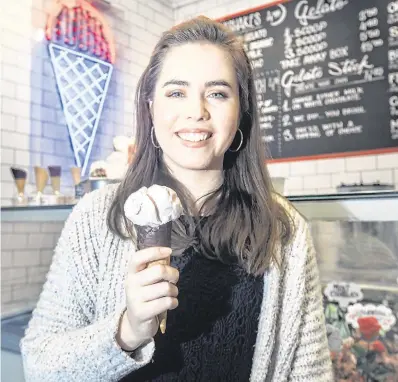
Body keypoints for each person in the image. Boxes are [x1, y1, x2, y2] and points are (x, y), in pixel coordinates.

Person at [21, 16, 333, 381]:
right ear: (151, 107)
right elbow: (40, 366)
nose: (196, 112)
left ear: (241, 111)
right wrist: (126, 331)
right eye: (176, 92)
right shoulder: (97, 217)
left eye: (217, 93)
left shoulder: (285, 231)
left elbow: (310, 373)